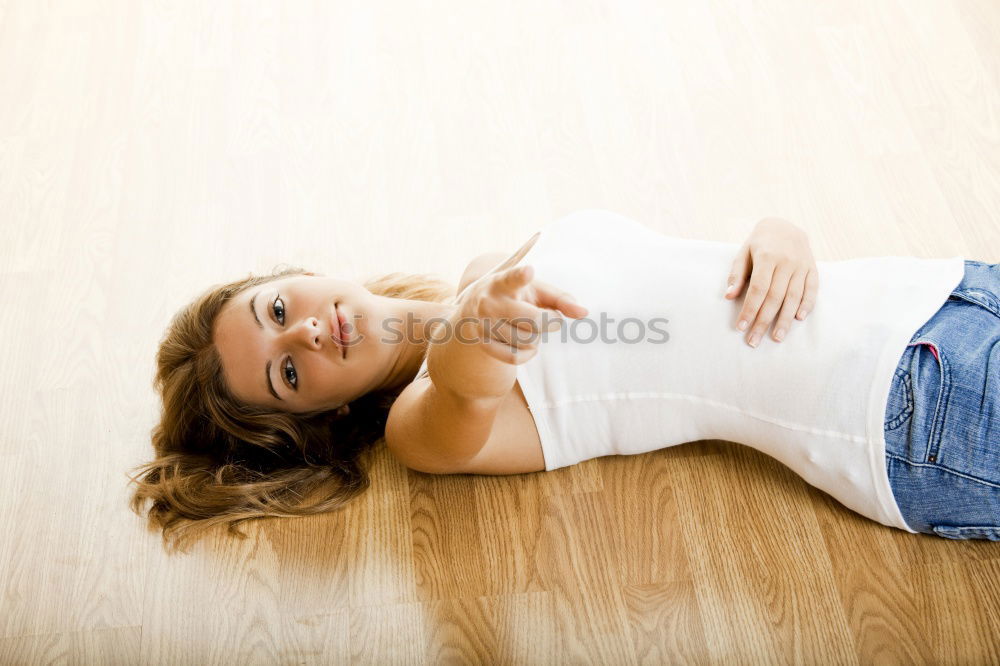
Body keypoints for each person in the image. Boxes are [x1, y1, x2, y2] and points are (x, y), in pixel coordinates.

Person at [129, 209, 999, 551]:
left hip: (937, 292)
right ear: (320, 414)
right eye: (289, 371)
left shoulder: (490, 258)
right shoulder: (419, 429)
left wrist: (777, 232)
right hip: (912, 409)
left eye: (280, 310)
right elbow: (466, 386)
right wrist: (477, 330)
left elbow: (692, 271)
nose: (311, 333)